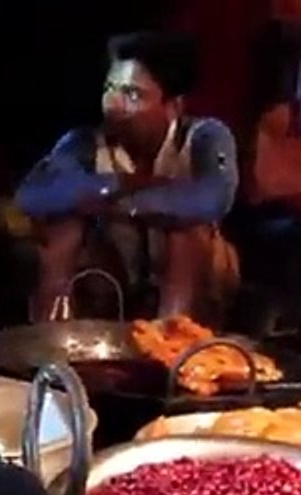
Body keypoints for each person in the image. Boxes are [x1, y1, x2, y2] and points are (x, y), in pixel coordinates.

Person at [14, 31, 240, 324]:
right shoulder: (84, 143)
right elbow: (33, 195)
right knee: (63, 224)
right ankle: (55, 333)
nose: (114, 104)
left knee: (188, 228)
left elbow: (214, 198)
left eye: (133, 95)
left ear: (173, 106)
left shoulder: (204, 137)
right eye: (110, 88)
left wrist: (128, 202)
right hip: (110, 268)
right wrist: (116, 185)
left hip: (188, 272)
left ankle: (172, 336)